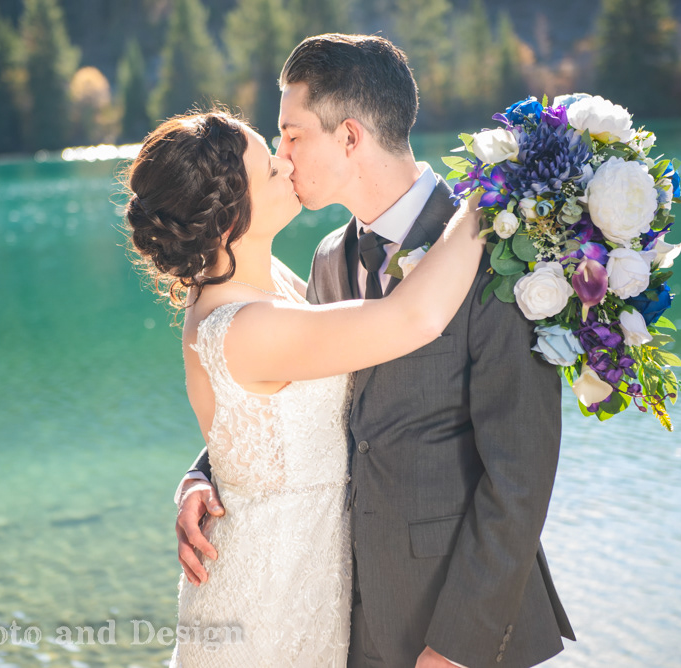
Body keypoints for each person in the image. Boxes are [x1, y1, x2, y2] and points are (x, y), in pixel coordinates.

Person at [175, 34, 575, 668]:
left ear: (350, 137)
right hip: (340, 617)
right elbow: (288, 392)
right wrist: (207, 472)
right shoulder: (328, 258)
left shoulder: (499, 252)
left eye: (292, 135)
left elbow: (521, 473)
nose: (284, 158)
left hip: (456, 624)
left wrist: (459, 645)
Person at [124, 109, 483, 666]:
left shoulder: (256, 282)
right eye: (270, 169)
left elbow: (254, 422)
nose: (287, 163)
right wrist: (491, 200)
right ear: (229, 220)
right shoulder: (246, 326)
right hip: (267, 597)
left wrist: (200, 473)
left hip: (303, 579)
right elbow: (414, 317)